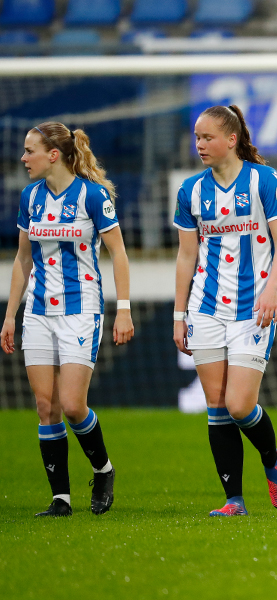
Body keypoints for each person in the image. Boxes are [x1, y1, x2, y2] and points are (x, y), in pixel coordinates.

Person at [2, 122, 134, 517]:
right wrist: (10, 316)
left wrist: (123, 309)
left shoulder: (92, 196)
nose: (24, 159)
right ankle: (61, 499)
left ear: (53, 155)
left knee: (73, 405)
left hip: (81, 310)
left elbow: (120, 254)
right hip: (39, 312)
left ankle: (103, 470)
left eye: (30, 151)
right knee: (46, 406)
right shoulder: (30, 197)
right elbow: (23, 260)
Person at [173, 105, 277, 517]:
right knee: (217, 404)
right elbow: (186, 257)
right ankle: (234, 500)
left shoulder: (263, 179)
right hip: (205, 307)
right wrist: (179, 314)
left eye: (207, 137)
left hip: (253, 307)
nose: (200, 145)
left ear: (232, 139)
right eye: (196, 138)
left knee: (241, 404)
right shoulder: (190, 190)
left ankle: (270, 460)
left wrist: (272, 290)